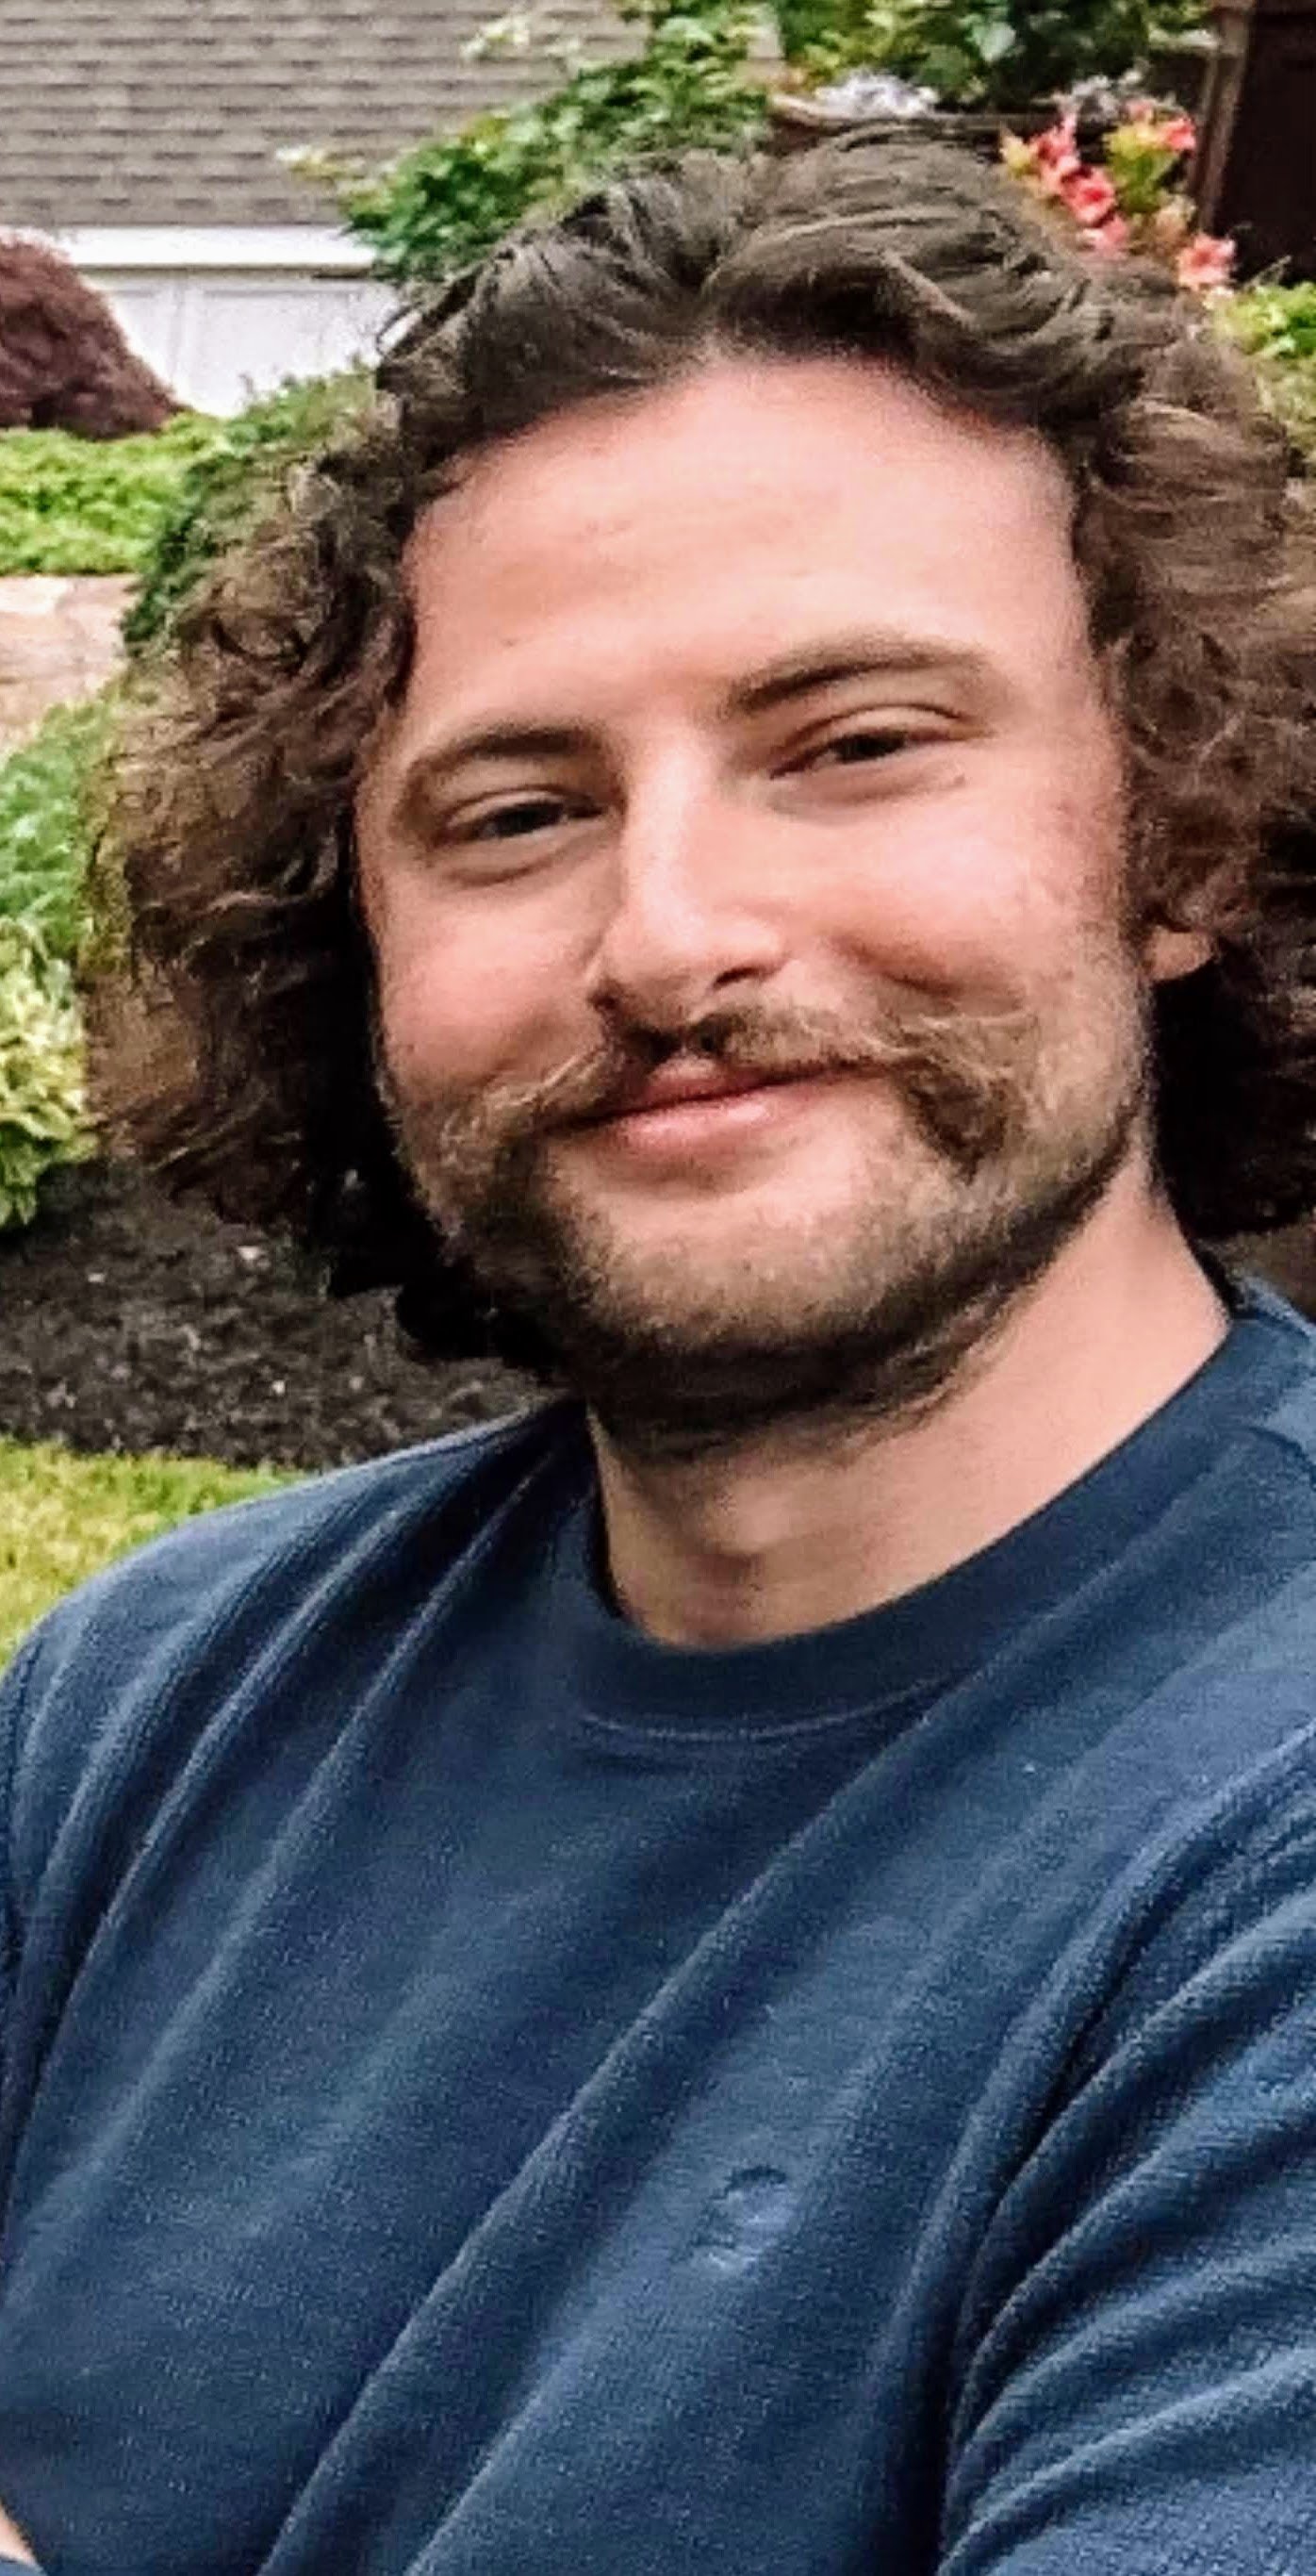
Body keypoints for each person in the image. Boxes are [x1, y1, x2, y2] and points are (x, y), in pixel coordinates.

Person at [2, 129, 1316, 2576]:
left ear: (1190, 834)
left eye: (857, 743)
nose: (669, 934)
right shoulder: (147, 1708)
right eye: (517, 812)